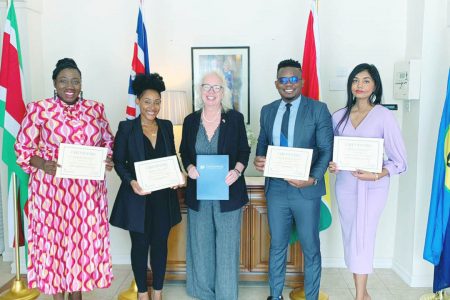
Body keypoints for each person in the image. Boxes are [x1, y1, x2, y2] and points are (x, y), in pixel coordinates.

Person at [14, 58, 114, 300]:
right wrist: (42, 164)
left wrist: (107, 159)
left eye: (75, 81)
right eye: (64, 81)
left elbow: (107, 141)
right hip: (51, 189)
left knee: (81, 244)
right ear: (55, 84)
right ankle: (57, 295)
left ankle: (76, 295)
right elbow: (22, 148)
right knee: (54, 243)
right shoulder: (39, 109)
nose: (70, 86)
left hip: (86, 191)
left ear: (81, 84)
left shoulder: (95, 109)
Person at [254, 59, 333, 300]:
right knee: (277, 246)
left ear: (302, 81)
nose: (289, 84)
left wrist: (311, 178)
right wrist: (259, 158)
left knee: (310, 249)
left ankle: (311, 297)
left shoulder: (318, 109)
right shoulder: (267, 110)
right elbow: (263, 142)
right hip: (276, 189)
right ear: (276, 83)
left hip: (305, 191)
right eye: (283, 80)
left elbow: (326, 149)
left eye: (294, 79)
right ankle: (275, 295)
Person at [328, 63, 407, 300]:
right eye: (355, 80)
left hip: (373, 188)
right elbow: (333, 153)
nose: (359, 85)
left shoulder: (383, 116)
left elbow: (400, 161)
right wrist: (333, 164)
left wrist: (377, 174)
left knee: (364, 235)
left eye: (365, 80)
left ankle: (359, 296)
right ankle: (364, 294)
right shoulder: (338, 117)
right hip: (345, 186)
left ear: (375, 85)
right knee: (352, 236)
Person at [109, 73, 182, 300]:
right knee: (140, 246)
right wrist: (132, 181)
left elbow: (172, 157)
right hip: (137, 197)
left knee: (160, 246)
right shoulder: (126, 128)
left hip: (163, 198)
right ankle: (142, 293)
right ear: (138, 101)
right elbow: (119, 162)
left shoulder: (167, 126)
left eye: (157, 102)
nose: (153, 107)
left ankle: (158, 293)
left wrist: (177, 174)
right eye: (148, 101)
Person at [179, 70, 250, 300]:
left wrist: (237, 170)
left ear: (223, 92)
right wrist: (188, 167)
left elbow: (244, 151)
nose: (211, 92)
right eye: (206, 87)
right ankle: (204, 293)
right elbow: (184, 151)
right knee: (201, 247)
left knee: (227, 248)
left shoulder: (235, 119)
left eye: (216, 87)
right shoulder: (190, 121)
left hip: (228, 195)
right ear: (200, 91)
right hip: (199, 195)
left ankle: (226, 295)